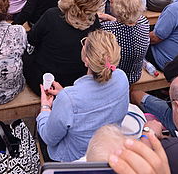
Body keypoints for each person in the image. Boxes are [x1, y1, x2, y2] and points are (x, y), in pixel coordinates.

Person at [37, 30, 129, 162]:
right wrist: (65, 95)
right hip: (107, 150)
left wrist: (45, 107)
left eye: (84, 44)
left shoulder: (69, 99)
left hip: (73, 161)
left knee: (41, 124)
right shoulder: (122, 78)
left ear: (86, 61)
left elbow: (49, 137)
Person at [23, 0, 102, 91]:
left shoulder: (52, 16)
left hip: (44, 82)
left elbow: (31, 39)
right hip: (74, 83)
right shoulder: (94, 23)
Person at [100, 0, 150, 84]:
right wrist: (111, 18)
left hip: (115, 77)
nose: (110, 0)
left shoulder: (107, 30)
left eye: (112, 0)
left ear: (118, 9)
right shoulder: (144, 22)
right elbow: (127, 24)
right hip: (135, 74)